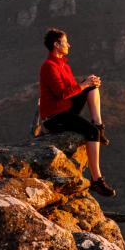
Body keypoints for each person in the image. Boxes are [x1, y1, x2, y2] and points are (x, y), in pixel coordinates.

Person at [39, 28, 116, 197]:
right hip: (54, 117)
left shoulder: (64, 66)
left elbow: (72, 91)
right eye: (65, 42)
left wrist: (89, 83)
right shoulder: (48, 66)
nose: (69, 45)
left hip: (66, 109)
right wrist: (83, 84)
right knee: (91, 132)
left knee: (93, 87)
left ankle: (99, 125)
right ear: (56, 44)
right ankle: (97, 180)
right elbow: (61, 94)